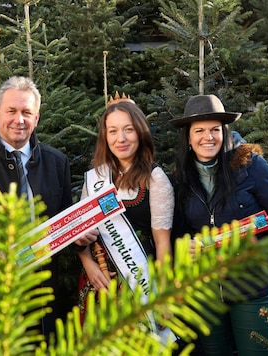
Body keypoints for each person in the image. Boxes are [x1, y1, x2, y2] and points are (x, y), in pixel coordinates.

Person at [0, 76, 95, 348]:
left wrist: (77, 236)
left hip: (41, 295)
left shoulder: (57, 162)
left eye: (27, 113)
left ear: (37, 118)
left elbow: (61, 221)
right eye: (11, 111)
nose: (19, 119)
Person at [170, 94, 268, 355]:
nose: (207, 137)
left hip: (251, 289)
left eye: (214, 130)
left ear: (224, 132)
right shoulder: (180, 178)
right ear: (188, 137)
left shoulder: (250, 165)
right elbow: (179, 235)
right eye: (199, 131)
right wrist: (185, 249)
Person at [76, 97, 174, 338]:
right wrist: (89, 266)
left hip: (139, 281)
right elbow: (80, 232)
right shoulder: (95, 178)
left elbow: (162, 243)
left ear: (140, 132)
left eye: (128, 130)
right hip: (99, 283)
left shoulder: (155, 178)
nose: (121, 139)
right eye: (113, 131)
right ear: (105, 137)